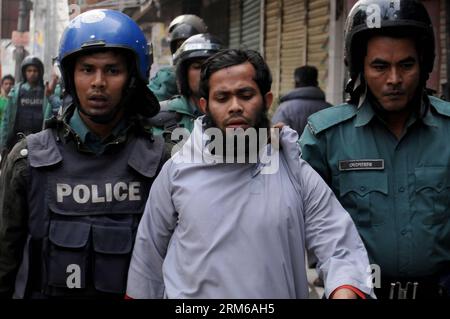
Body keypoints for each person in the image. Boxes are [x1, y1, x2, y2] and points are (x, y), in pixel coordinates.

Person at [126, 49, 375, 299]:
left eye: (245, 95)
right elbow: (148, 258)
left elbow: (339, 247)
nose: (235, 107)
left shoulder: (293, 169)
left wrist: (344, 290)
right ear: (205, 106)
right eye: (222, 97)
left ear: (267, 101)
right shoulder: (177, 171)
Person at [0, 9, 167, 299]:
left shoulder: (163, 161)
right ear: (70, 76)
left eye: (112, 70)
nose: (98, 82)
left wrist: (264, 141)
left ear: (132, 78)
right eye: (87, 69)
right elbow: (4, 262)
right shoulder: (27, 160)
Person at [300, 0, 450, 299]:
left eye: (406, 65)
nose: (394, 79)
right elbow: (300, 220)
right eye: (380, 66)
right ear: (360, 69)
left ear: (423, 65)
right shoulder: (325, 136)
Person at [150, 33, 223, 135]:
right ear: (184, 74)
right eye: (197, 67)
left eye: (211, 66)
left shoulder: (235, 114)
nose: (204, 73)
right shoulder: (160, 117)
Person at [0, 57, 56, 156]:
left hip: (40, 140)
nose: (32, 73)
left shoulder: (45, 91)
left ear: (40, 72)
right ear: (24, 73)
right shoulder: (15, 93)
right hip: (18, 140)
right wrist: (3, 144)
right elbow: (6, 120)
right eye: (29, 71)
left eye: (35, 71)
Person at [149, 14, 208, 101]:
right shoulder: (167, 77)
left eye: (188, 44)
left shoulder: (212, 71)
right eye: (180, 45)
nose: (184, 50)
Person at [271, 65, 331, 135]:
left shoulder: (284, 109)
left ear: (296, 82)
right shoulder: (330, 109)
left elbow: (274, 140)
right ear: (316, 82)